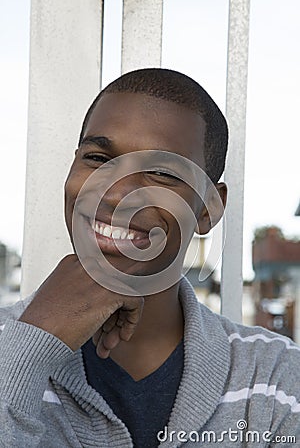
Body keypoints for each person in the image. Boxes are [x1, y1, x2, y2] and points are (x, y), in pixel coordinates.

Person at [0, 68, 299, 448]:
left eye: (160, 172)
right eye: (96, 158)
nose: (113, 194)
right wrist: (29, 350)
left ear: (208, 207)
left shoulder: (276, 379)